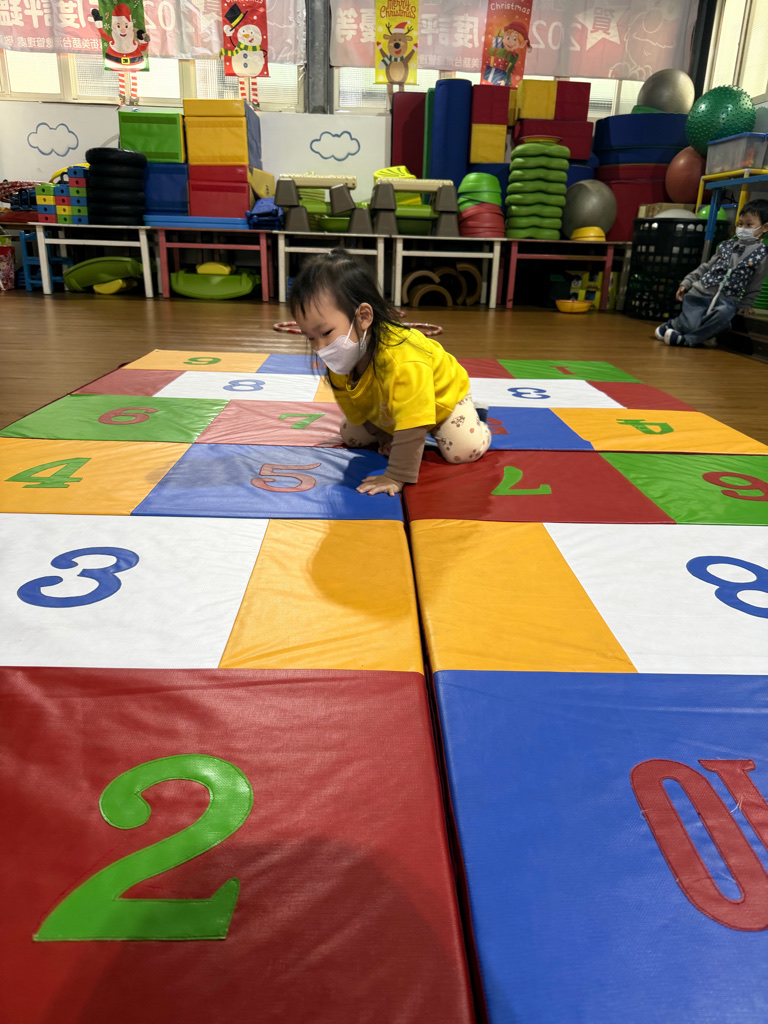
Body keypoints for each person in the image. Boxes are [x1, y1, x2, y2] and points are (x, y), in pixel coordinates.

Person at [290, 249, 492, 497]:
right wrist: (383, 436)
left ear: (363, 317)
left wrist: (396, 475)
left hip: (443, 401)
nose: (320, 347)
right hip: (395, 407)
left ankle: (477, 417)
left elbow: (414, 423)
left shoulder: (403, 360)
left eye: (325, 333)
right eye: (310, 337)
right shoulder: (342, 357)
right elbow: (356, 408)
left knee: (462, 452)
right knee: (351, 435)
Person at [655, 199, 768, 348]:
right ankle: (676, 324)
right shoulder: (726, 246)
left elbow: (755, 284)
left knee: (724, 317)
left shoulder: (762, 255)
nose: (743, 228)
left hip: (728, 300)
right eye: (740, 224)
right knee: (691, 324)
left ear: (764, 227)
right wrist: (687, 282)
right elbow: (706, 267)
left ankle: (688, 340)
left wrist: (746, 304)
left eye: (749, 225)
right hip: (700, 293)